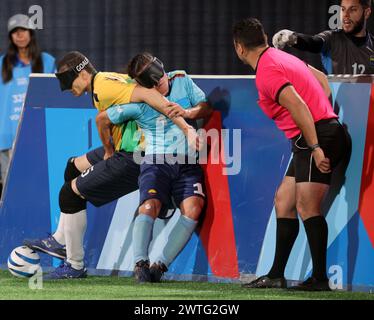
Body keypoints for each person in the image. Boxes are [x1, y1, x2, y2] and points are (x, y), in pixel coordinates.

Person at [24, 51, 210, 280]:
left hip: (136, 155)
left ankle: (74, 264)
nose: (66, 89)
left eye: (67, 81)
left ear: (82, 74)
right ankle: (61, 239)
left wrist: (187, 128)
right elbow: (104, 119)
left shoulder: (105, 87)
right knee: (72, 166)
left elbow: (148, 94)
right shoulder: (103, 81)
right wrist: (109, 149)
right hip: (128, 147)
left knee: (69, 194)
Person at [233, 18, 350, 291]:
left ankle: (320, 279)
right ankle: (276, 274)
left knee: (307, 207)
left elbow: (298, 107)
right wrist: (322, 113)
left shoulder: (266, 72)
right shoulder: (280, 56)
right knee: (283, 201)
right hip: (317, 134)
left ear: (239, 48)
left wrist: (317, 144)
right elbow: (321, 81)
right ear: (263, 38)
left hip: (317, 138)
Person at [96, 52, 210, 283]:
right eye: (154, 85)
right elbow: (102, 119)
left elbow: (205, 107)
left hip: (188, 164)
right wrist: (108, 150)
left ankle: (160, 267)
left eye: (160, 80)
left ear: (163, 69)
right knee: (149, 206)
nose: (161, 86)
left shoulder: (182, 80)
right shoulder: (140, 101)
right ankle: (140, 263)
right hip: (156, 161)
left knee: (194, 208)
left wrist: (188, 113)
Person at [0, 14, 55, 196]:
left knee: (39, 185)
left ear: (31, 33)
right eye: (14, 32)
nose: (19, 35)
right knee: (10, 187)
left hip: (38, 132)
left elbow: (55, 94)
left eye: (23, 30)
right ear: (10, 37)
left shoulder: (47, 61)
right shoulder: (2, 63)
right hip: (8, 133)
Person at [272, 0, 374, 74]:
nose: (345, 15)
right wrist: (293, 38)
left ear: (366, 13)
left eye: (353, 10)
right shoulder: (332, 38)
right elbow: (313, 42)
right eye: (343, 9)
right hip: (334, 104)